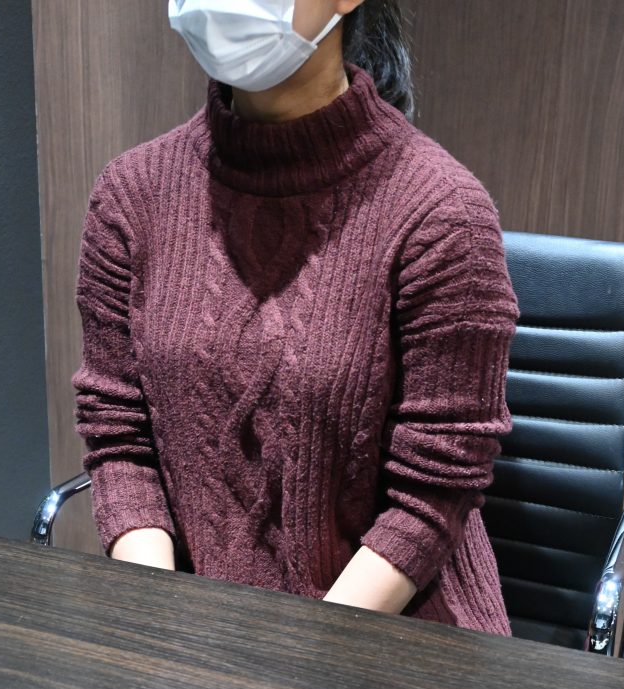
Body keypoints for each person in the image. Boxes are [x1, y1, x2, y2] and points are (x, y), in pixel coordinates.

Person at [71, 0, 520, 633]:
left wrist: (292, 658)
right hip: (197, 636)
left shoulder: (443, 214)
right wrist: (162, 623)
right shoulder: (130, 196)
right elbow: (119, 435)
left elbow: (434, 490)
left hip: (398, 634)